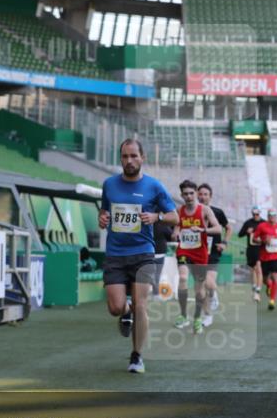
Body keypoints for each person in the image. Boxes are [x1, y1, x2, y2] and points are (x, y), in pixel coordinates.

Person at [99, 139, 179, 374]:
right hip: (115, 254)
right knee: (115, 307)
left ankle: (137, 357)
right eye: (125, 156)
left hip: (143, 254)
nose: (129, 161)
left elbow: (174, 216)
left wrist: (157, 218)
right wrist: (102, 219)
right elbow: (104, 212)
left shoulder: (154, 186)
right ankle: (125, 313)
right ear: (120, 158)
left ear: (142, 158)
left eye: (134, 156)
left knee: (141, 305)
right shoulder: (109, 185)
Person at [173, 179, 222, 336]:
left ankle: (197, 318)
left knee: (199, 289)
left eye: (191, 193)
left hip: (200, 253)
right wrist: (175, 233)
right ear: (181, 195)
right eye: (185, 194)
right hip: (184, 251)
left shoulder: (205, 210)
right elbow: (176, 228)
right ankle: (183, 314)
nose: (188, 196)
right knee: (182, 278)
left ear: (195, 193)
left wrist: (202, 230)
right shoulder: (179, 210)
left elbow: (218, 228)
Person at [196, 183, 231, 326]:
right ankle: (207, 315)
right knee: (200, 288)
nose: (203, 197)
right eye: (201, 194)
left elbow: (228, 228)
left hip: (213, 253)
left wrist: (224, 243)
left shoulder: (218, 212)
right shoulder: (192, 212)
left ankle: (213, 295)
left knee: (209, 282)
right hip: (197, 252)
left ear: (210, 197)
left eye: (206, 194)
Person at [252, 209, 277, 311]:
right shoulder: (262, 226)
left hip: (276, 257)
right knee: (265, 280)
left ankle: (272, 300)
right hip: (264, 257)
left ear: (276, 216)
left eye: (274, 215)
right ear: (267, 216)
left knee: (275, 277)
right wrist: (263, 240)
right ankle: (269, 286)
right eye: (270, 215)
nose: (272, 217)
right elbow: (254, 238)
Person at [238, 206, 265, 302]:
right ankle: (254, 288)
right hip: (251, 249)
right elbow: (239, 234)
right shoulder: (248, 223)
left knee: (258, 268)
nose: (255, 216)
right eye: (254, 214)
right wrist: (246, 231)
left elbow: (268, 234)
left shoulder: (263, 223)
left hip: (260, 249)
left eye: (257, 214)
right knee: (253, 269)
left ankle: (258, 291)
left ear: (260, 213)